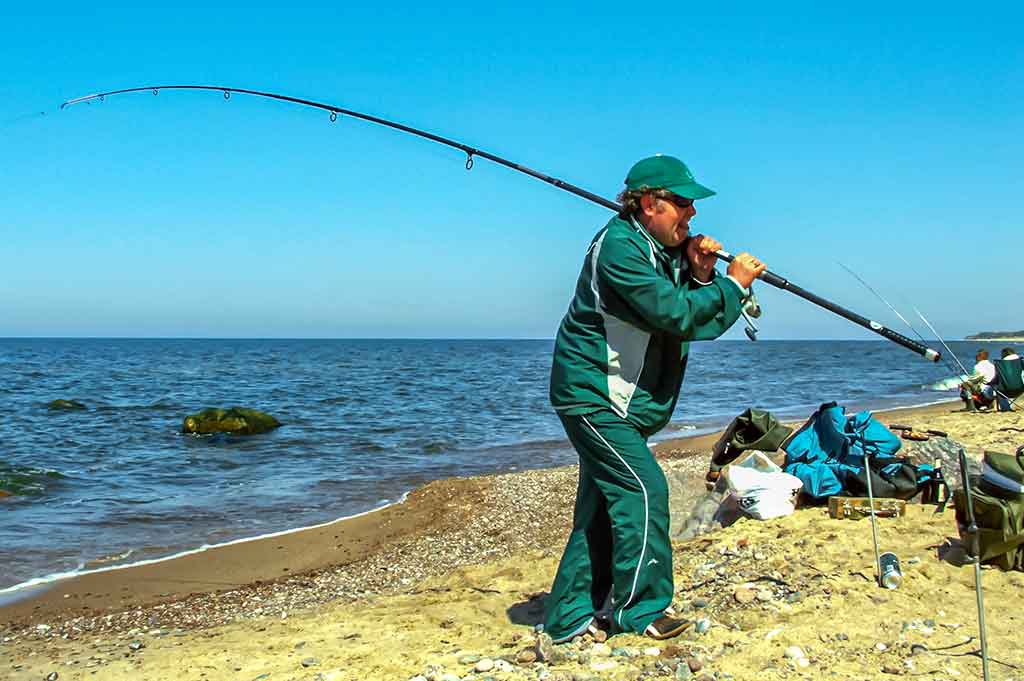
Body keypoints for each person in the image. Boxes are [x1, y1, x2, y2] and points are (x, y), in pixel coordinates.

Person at [546, 155, 765, 642]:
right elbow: (675, 314)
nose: (691, 215)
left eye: (692, 205)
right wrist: (733, 286)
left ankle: (567, 617)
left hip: (616, 401)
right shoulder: (620, 251)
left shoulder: (654, 245)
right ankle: (638, 611)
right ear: (649, 203)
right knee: (644, 491)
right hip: (593, 395)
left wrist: (702, 272)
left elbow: (678, 296)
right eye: (682, 203)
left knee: (602, 505)